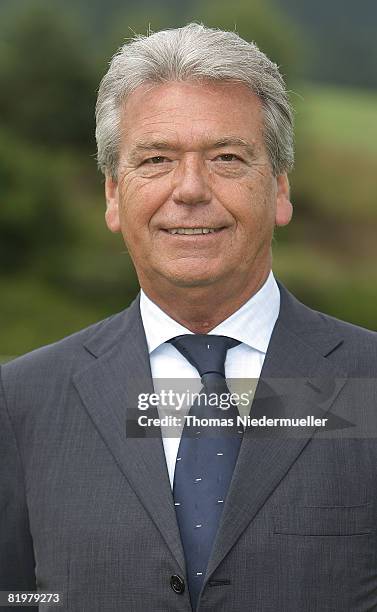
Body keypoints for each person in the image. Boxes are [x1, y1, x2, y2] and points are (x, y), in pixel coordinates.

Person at [1, 22, 377, 612]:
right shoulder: (19, 402)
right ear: (112, 195)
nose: (190, 189)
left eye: (227, 157)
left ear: (279, 189)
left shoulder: (369, 383)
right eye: (155, 159)